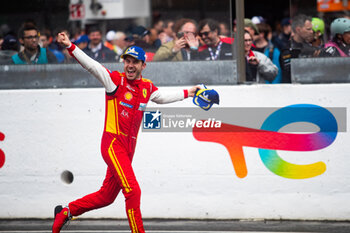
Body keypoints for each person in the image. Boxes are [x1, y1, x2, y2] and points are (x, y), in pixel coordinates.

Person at [53, 31, 201, 233]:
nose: (130, 65)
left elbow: (163, 97)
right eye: (127, 61)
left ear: (143, 65)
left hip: (128, 151)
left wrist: (190, 92)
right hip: (113, 145)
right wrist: (70, 46)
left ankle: (67, 211)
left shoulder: (147, 87)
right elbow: (92, 66)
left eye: (135, 62)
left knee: (106, 196)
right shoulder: (115, 81)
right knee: (133, 192)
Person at [279, 14, 320, 83]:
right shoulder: (288, 49)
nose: (311, 32)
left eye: (311, 29)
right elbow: (290, 72)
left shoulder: (310, 47)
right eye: (308, 29)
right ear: (298, 30)